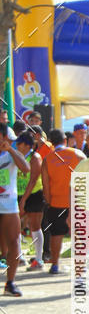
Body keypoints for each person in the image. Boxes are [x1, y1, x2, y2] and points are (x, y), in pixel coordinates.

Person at [41, 128, 85, 274]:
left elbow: (45, 186)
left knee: (56, 235)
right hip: (77, 201)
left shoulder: (47, 160)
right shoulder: (78, 154)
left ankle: (55, 265)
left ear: (51, 143)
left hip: (56, 203)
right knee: (79, 233)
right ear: (65, 140)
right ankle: (81, 266)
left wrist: (49, 202)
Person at [0, 123, 30, 295]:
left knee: (15, 242)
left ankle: (10, 282)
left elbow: (26, 168)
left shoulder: (11, 155)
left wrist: (10, 150)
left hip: (9, 206)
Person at [16, 131, 45, 270]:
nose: (17, 145)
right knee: (15, 226)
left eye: (19, 143)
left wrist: (23, 200)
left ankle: (38, 259)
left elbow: (33, 180)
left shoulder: (35, 157)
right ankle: (19, 257)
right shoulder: (17, 156)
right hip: (19, 193)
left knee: (35, 226)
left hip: (34, 194)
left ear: (27, 145)